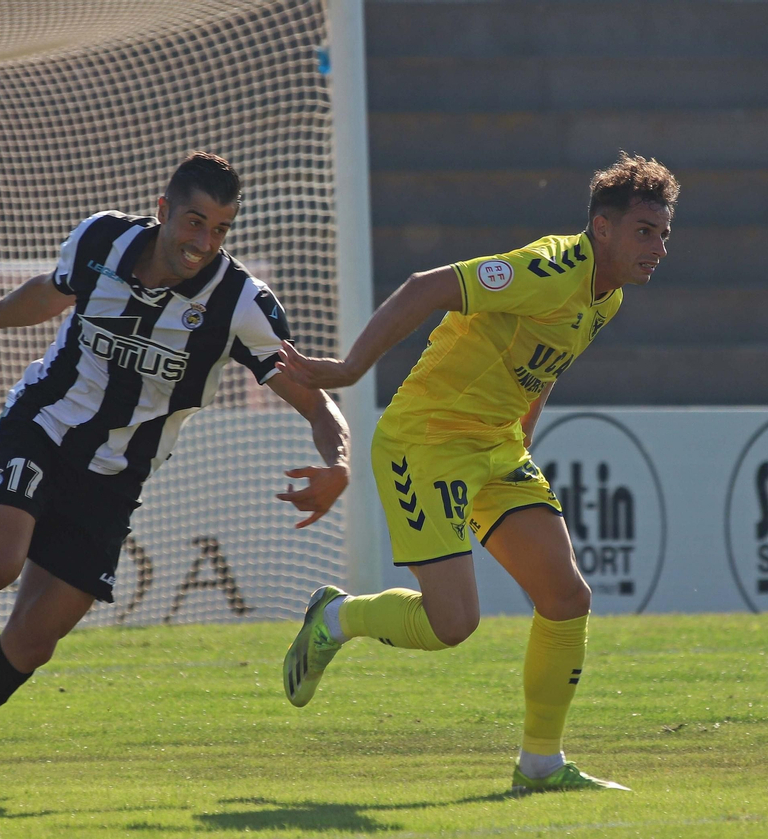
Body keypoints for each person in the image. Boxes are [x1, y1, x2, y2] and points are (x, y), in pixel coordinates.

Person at [0, 152, 349, 793]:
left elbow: (312, 395)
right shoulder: (102, 236)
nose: (204, 242)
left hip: (115, 477)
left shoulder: (240, 304)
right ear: (164, 211)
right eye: (194, 222)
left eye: (220, 230)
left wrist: (337, 462)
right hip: (45, 426)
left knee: (31, 644)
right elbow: (53, 293)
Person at [276, 152, 677, 795]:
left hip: (496, 448)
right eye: (643, 231)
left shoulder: (610, 297)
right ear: (602, 227)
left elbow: (543, 365)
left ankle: (540, 765)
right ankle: (336, 619)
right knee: (453, 624)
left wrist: (524, 437)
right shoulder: (548, 268)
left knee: (567, 597)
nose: (657, 246)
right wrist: (350, 371)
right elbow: (423, 287)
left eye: (662, 233)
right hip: (426, 441)